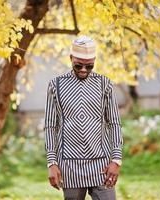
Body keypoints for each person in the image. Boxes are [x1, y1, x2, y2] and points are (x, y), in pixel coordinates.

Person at [44, 35, 123, 200]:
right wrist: (52, 163)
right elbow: (51, 126)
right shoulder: (56, 85)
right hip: (69, 165)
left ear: (94, 60)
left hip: (101, 165)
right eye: (78, 65)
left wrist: (116, 160)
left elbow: (114, 123)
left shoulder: (105, 84)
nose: (83, 70)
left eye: (89, 66)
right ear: (71, 58)